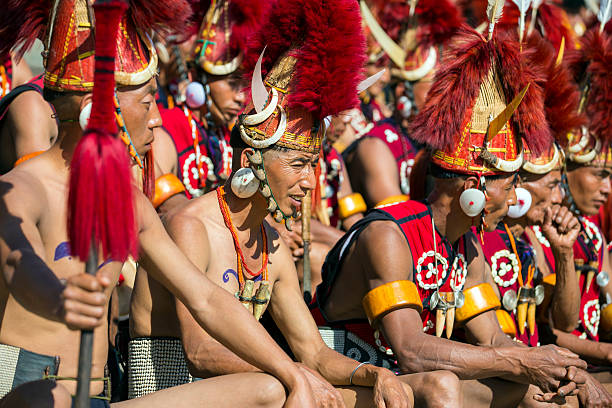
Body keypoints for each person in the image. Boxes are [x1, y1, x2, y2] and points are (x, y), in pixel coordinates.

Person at [0, 1, 316, 406]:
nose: (156, 120)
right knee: (52, 399)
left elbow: (204, 298)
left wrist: (293, 373)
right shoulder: (21, 188)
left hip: (97, 397)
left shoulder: (128, 201)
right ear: (97, 110)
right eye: (147, 104)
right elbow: (17, 263)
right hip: (24, 393)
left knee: (270, 390)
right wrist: (59, 299)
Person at [130, 0, 421, 406]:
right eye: (299, 164)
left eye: (313, 165)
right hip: (172, 391)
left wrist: (372, 373)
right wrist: (294, 374)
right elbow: (199, 352)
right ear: (253, 160)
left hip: (249, 392)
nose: (309, 182)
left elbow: (313, 352)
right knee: (280, 389)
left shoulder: (273, 243)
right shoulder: (191, 226)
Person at [313, 14, 590, 407]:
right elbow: (410, 350)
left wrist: (566, 371)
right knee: (443, 385)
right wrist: (521, 359)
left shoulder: (468, 246)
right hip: (347, 378)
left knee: (531, 392)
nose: (515, 200)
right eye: (509, 186)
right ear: (473, 190)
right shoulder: (388, 235)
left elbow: (491, 338)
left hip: (402, 380)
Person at [536, 21, 612, 385]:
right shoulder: (533, 234)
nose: (608, 188)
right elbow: (553, 328)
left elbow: (607, 311)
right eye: (599, 174)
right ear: (565, 173)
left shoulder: (594, 235)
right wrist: (606, 353)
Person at [342, 0, 463, 208]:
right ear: (403, 90)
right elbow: (398, 219)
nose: (444, 96)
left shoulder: (438, 143)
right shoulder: (376, 146)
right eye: (434, 86)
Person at [151, 0, 256, 215]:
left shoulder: (232, 138)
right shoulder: (165, 127)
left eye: (244, 87)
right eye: (232, 83)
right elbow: (167, 207)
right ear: (197, 79)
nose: (240, 97)